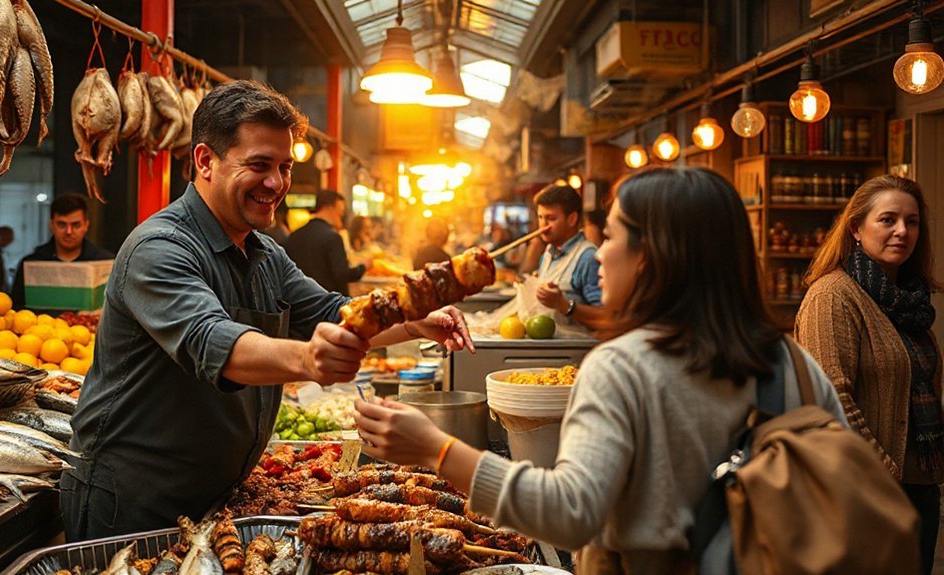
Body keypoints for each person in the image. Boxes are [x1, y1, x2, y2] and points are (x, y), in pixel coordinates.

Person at [355, 167, 846, 573]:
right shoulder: (793, 363)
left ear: (651, 254)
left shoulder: (622, 367)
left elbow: (570, 511)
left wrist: (436, 448)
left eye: (610, 235)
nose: (599, 252)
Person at [62, 80, 473, 541]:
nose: (276, 183)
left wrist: (417, 321)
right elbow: (211, 341)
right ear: (205, 161)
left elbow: (336, 312)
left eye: (284, 167)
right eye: (259, 165)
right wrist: (307, 360)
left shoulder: (264, 253)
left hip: (215, 496)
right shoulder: (158, 248)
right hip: (134, 502)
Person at [795, 174, 943, 575]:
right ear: (857, 229)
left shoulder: (911, 302)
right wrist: (885, 477)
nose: (902, 232)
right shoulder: (833, 296)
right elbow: (832, 400)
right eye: (888, 219)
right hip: (864, 494)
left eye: (911, 222)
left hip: (920, 489)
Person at [10, 193, 114, 311]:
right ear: (52, 225)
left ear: (86, 225)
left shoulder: (105, 262)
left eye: (76, 225)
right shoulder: (31, 263)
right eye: (61, 224)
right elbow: (16, 310)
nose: (69, 231)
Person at [528, 184, 603, 327]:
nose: (543, 225)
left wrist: (563, 304)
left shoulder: (588, 257)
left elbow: (606, 317)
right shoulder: (548, 254)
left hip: (577, 347)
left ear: (572, 219)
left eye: (551, 218)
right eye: (540, 217)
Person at [285, 190, 369, 295]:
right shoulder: (333, 238)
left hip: (300, 303)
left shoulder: (294, 237)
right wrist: (363, 267)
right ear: (328, 207)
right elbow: (342, 275)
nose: (341, 216)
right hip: (328, 304)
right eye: (340, 213)